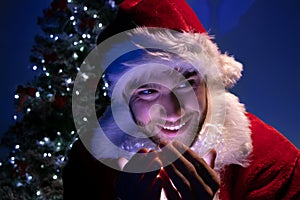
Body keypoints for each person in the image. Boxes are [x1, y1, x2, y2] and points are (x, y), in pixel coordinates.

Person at [63, 0, 300, 199]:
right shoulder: (90, 166)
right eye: (148, 91)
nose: (175, 112)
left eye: (188, 82)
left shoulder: (274, 164)